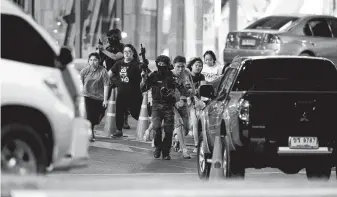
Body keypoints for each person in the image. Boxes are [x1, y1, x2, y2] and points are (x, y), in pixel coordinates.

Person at [140, 55, 182, 160]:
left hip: (169, 106)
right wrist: (143, 78)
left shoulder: (172, 77)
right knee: (156, 128)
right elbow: (143, 88)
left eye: (164, 64)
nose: (162, 66)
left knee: (168, 131)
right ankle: (158, 147)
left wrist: (175, 94)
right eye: (160, 64)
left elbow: (179, 91)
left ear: (168, 65)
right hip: (156, 105)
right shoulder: (153, 75)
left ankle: (166, 152)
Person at [108, 44, 144, 137]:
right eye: (125, 51)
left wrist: (144, 73)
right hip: (122, 93)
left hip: (135, 94)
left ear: (133, 53)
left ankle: (148, 127)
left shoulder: (136, 64)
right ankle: (119, 130)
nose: (127, 53)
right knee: (119, 111)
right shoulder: (118, 63)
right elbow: (109, 74)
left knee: (136, 113)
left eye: (129, 52)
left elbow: (145, 74)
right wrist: (115, 81)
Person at [98, 28, 131, 130]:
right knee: (103, 95)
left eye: (113, 37)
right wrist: (100, 52)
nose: (111, 39)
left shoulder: (123, 48)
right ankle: (99, 115)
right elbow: (100, 61)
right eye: (110, 37)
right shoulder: (107, 49)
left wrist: (103, 50)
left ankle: (125, 120)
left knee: (124, 96)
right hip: (109, 74)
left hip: (122, 74)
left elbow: (115, 57)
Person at [80, 52, 110, 142]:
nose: (93, 62)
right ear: (88, 61)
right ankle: (90, 132)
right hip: (87, 96)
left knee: (98, 116)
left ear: (99, 61)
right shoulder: (84, 71)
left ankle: (91, 127)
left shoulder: (103, 71)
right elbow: (80, 83)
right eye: (91, 60)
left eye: (95, 60)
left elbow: (106, 86)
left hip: (99, 97)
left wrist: (105, 100)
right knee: (90, 115)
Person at [171, 56, 195, 159]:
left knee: (186, 129)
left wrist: (191, 93)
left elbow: (192, 88)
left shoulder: (187, 73)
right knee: (179, 124)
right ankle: (184, 149)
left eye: (182, 66)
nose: (180, 69)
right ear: (173, 66)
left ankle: (176, 138)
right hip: (172, 104)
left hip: (183, 103)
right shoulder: (169, 75)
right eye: (178, 67)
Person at [186, 57, 206, 153]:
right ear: (191, 66)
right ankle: (177, 137)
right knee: (191, 124)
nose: (198, 67)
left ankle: (197, 144)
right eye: (196, 65)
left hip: (197, 104)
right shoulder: (187, 76)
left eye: (200, 66)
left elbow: (203, 89)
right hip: (188, 103)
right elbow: (186, 90)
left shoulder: (201, 76)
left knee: (197, 124)